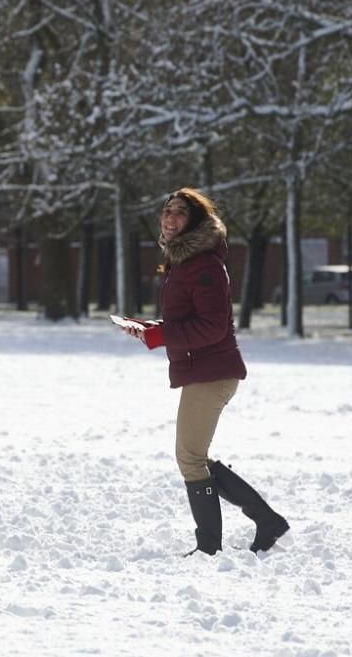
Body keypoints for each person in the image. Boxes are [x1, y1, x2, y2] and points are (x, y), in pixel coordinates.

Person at [124, 188, 289, 556]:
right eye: (167, 211)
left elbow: (212, 327)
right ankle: (265, 521)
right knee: (193, 455)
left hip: (213, 372)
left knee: (189, 456)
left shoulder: (205, 266)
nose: (170, 218)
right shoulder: (186, 262)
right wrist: (149, 329)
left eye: (180, 213)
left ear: (195, 222)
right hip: (203, 371)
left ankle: (213, 545)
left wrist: (161, 335)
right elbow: (188, 321)